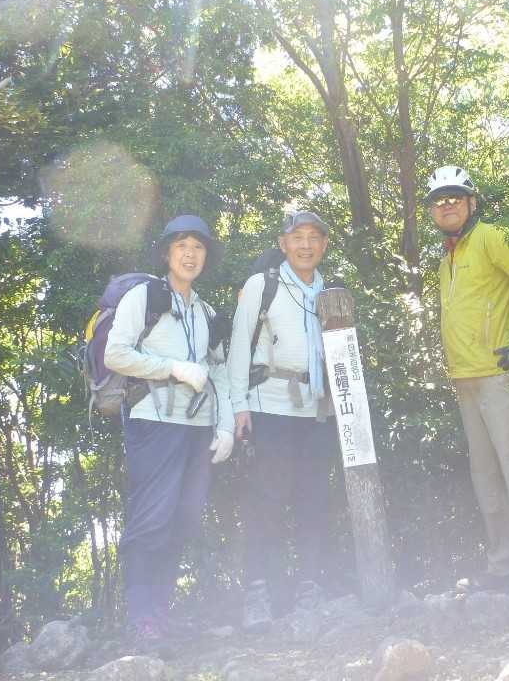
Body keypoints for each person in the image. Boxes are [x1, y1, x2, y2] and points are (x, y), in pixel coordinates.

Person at [425, 165, 509, 600]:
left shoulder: (492, 237)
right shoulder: (447, 258)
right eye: (439, 200)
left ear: (472, 202)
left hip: (502, 375)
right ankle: (504, 565)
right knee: (487, 480)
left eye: (454, 197)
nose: (447, 205)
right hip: (465, 379)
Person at [104, 214, 235, 641]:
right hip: (154, 423)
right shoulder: (144, 297)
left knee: (183, 518)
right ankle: (141, 616)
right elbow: (115, 355)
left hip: (198, 429)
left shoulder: (207, 311)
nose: (190, 254)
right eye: (182, 246)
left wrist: (225, 427)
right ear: (166, 253)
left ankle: (159, 614)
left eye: (198, 247)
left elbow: (220, 373)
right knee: (152, 517)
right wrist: (173, 368)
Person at [227, 210, 338, 632]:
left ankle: (310, 588)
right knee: (267, 500)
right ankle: (258, 593)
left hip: (317, 409)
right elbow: (239, 346)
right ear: (283, 243)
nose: (306, 245)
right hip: (269, 405)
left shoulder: (330, 291)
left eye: (314, 237)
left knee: (313, 499)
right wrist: (238, 405)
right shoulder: (263, 285)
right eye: (297, 237)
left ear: (323, 245)